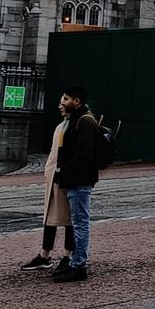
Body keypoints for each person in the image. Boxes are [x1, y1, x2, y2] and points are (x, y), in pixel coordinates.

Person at [49, 86, 104, 282]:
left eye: (66, 98)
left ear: (77, 101)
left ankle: (79, 265)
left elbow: (83, 153)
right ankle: (74, 262)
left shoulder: (85, 121)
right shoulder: (77, 119)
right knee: (77, 222)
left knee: (80, 223)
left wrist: (63, 169)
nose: (62, 102)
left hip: (80, 179)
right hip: (75, 178)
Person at [20, 104, 77, 272]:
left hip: (66, 177)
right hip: (54, 176)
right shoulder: (62, 125)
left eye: (64, 101)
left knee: (69, 218)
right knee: (50, 216)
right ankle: (45, 254)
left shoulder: (76, 125)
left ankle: (68, 255)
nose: (60, 106)